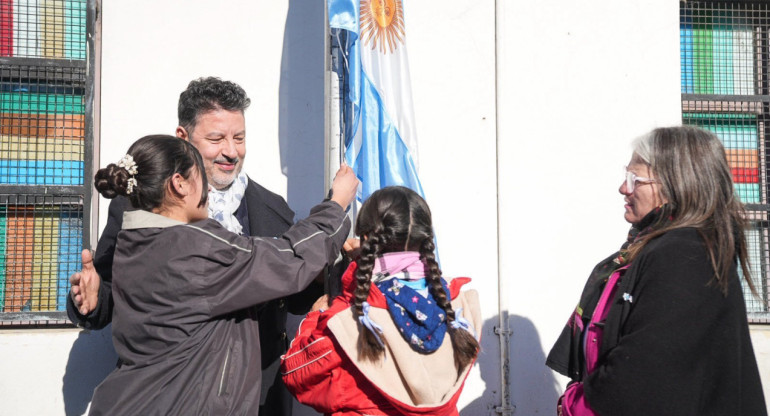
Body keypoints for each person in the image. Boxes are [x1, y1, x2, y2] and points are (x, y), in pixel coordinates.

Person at [67, 77, 316, 415]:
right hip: (171, 399)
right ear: (182, 138)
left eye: (239, 138)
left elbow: (298, 298)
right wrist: (92, 301)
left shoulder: (271, 208)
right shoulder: (136, 208)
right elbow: (112, 292)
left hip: (259, 399)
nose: (231, 151)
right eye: (216, 138)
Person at [86, 135, 357, 415]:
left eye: (239, 137)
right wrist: (336, 204)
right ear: (179, 184)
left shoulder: (135, 240)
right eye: (200, 175)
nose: (230, 151)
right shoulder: (193, 248)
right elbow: (288, 258)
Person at [546, 126, 767, 416]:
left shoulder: (685, 254)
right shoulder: (660, 248)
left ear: (676, 184)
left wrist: (577, 404)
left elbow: (645, 371)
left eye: (634, 179)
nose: (624, 188)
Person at [280, 186, 481, 416]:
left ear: (365, 238)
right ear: (425, 236)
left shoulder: (351, 318)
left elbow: (297, 373)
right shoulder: (459, 307)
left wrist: (315, 316)